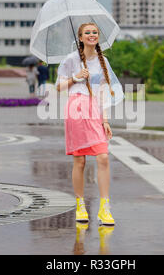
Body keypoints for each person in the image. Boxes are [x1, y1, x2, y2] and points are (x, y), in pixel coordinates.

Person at [56, 23, 124, 226]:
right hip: (76, 109)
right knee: (80, 161)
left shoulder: (104, 61)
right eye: (88, 33)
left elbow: (104, 93)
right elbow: (58, 87)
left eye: (95, 32)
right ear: (81, 37)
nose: (92, 35)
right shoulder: (71, 59)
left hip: (95, 110)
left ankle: (105, 208)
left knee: (103, 157)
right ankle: (80, 205)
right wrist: (76, 77)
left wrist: (105, 119)